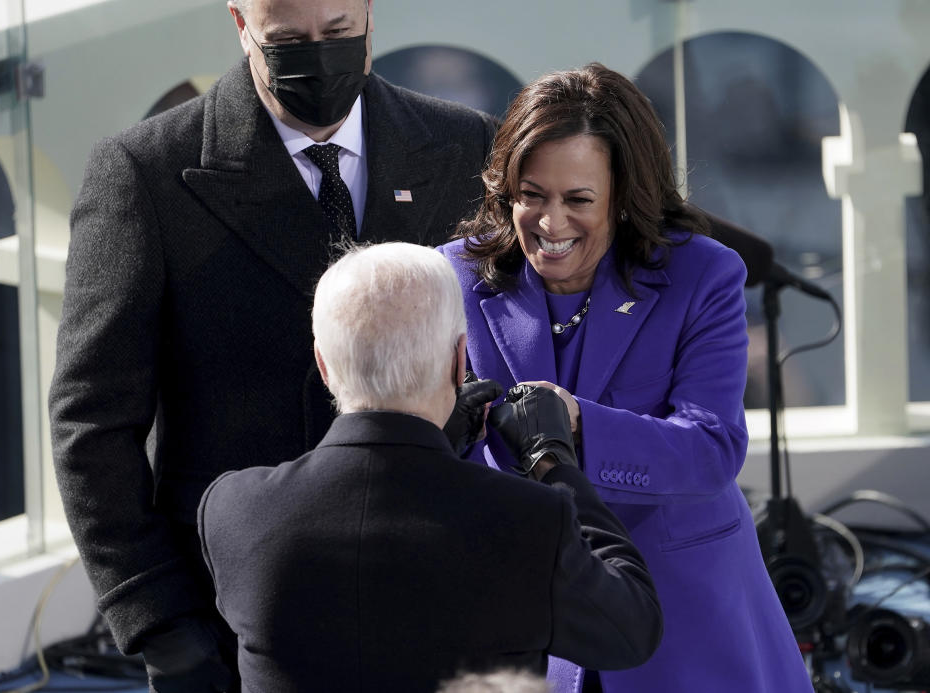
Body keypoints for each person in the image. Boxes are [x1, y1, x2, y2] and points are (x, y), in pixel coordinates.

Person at [48, 0, 496, 689]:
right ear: (239, 22)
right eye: (289, 40)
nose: (318, 56)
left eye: (340, 32)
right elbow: (93, 421)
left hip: (440, 603)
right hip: (239, 623)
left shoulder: (464, 146)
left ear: (370, 11)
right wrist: (157, 619)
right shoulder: (146, 173)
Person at [438, 63, 814, 693]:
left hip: (684, 616)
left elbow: (711, 449)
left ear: (625, 194)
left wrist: (581, 425)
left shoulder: (702, 274)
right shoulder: (454, 277)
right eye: (531, 194)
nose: (550, 223)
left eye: (578, 199)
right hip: (524, 622)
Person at [197, 242, 662, 692]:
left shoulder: (233, 509)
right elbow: (632, 627)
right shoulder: (528, 520)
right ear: (460, 360)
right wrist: (553, 462)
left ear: (323, 364)